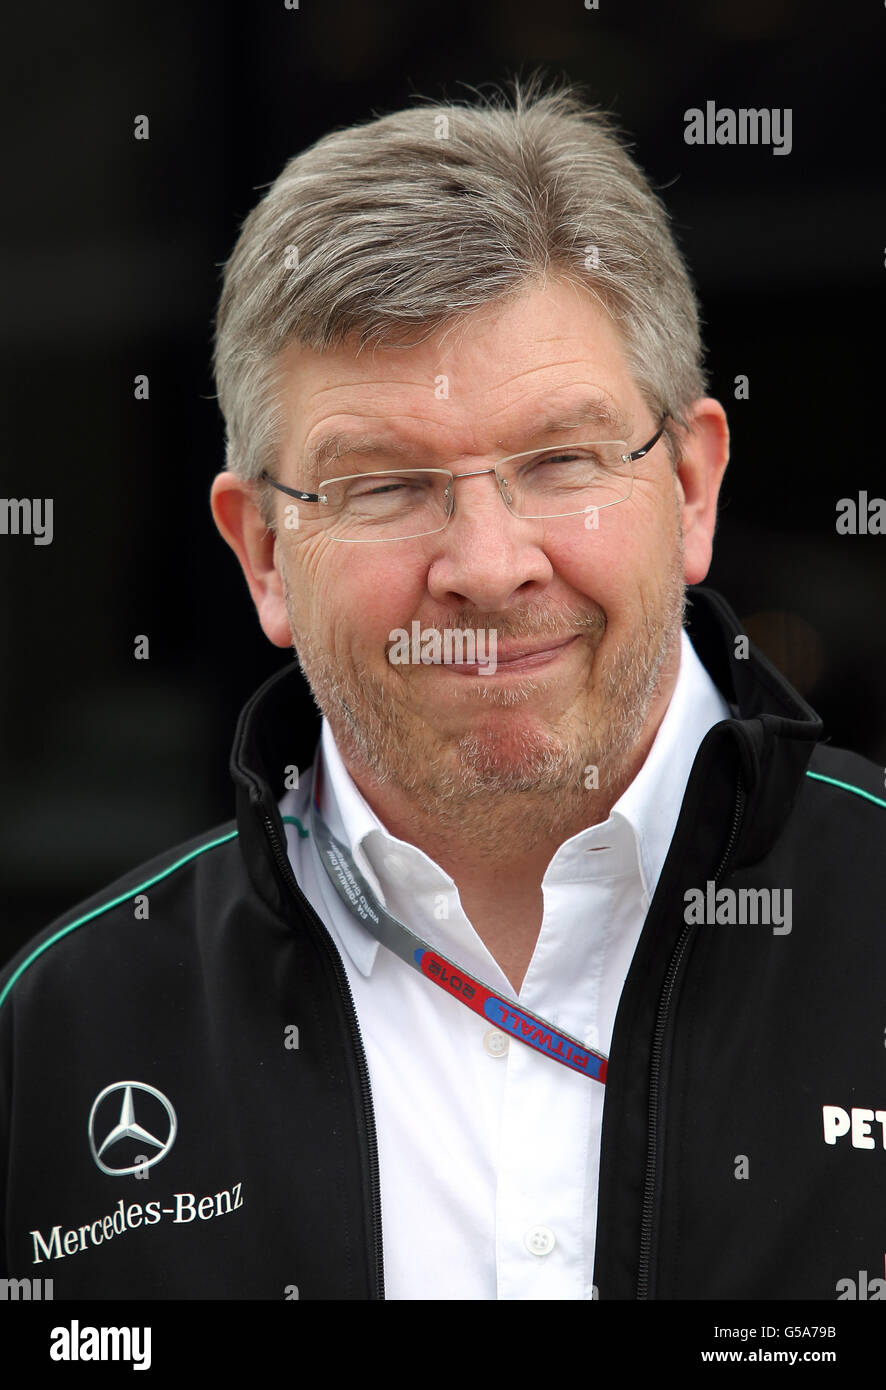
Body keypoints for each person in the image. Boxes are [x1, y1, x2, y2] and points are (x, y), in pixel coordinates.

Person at [2, 77, 884, 1303]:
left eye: (561, 459)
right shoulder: (59, 1032)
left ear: (690, 487)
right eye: (382, 486)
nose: (485, 566)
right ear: (262, 552)